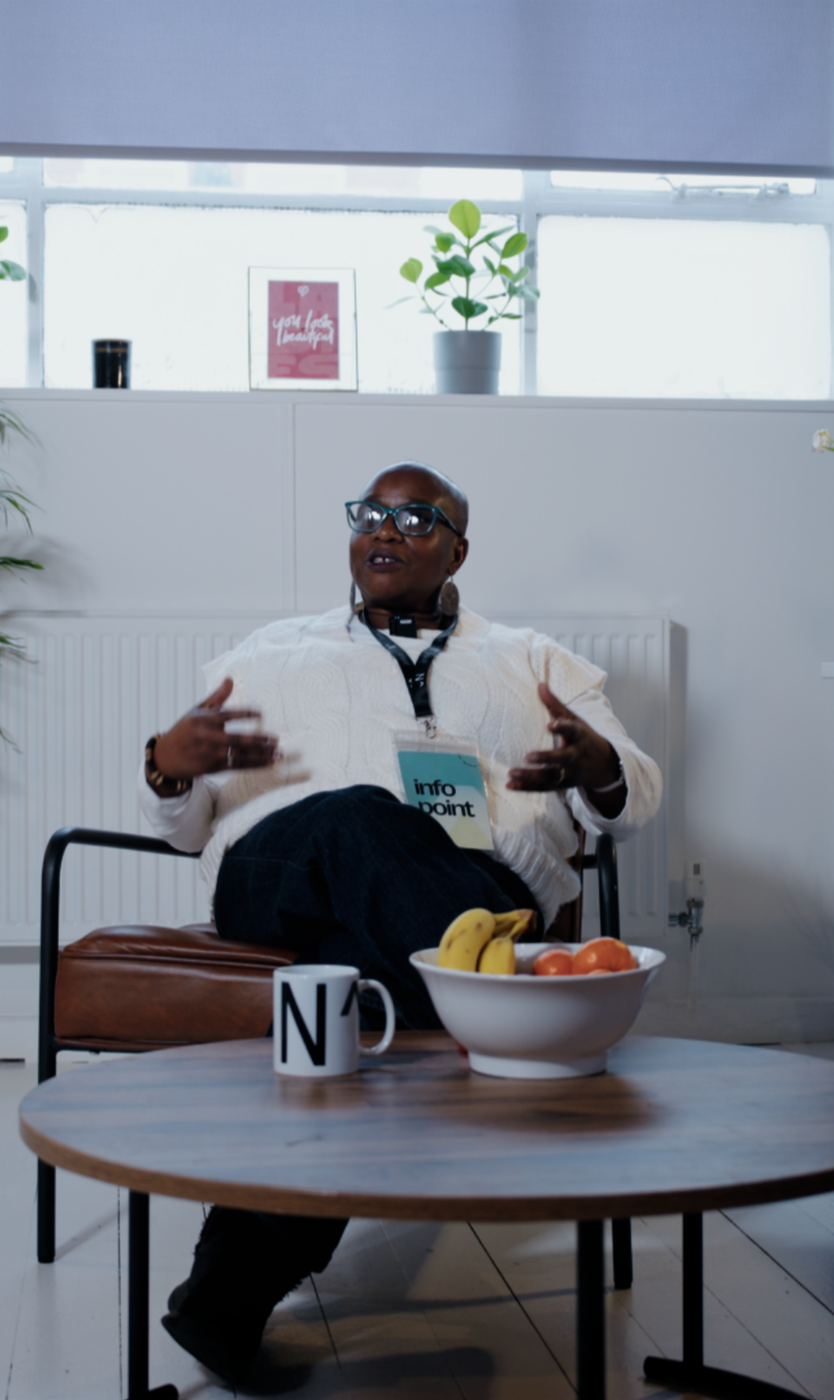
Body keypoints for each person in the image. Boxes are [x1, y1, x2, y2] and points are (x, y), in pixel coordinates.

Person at [138, 461, 661, 1388]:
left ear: (459, 548)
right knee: (359, 813)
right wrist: (168, 770)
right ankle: (503, 1000)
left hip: (471, 878)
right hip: (283, 872)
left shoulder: (532, 659)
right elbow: (184, 832)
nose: (386, 528)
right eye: (371, 513)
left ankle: (220, 1302)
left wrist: (599, 766)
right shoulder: (266, 651)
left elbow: (633, 800)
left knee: (355, 979)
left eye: (416, 518)